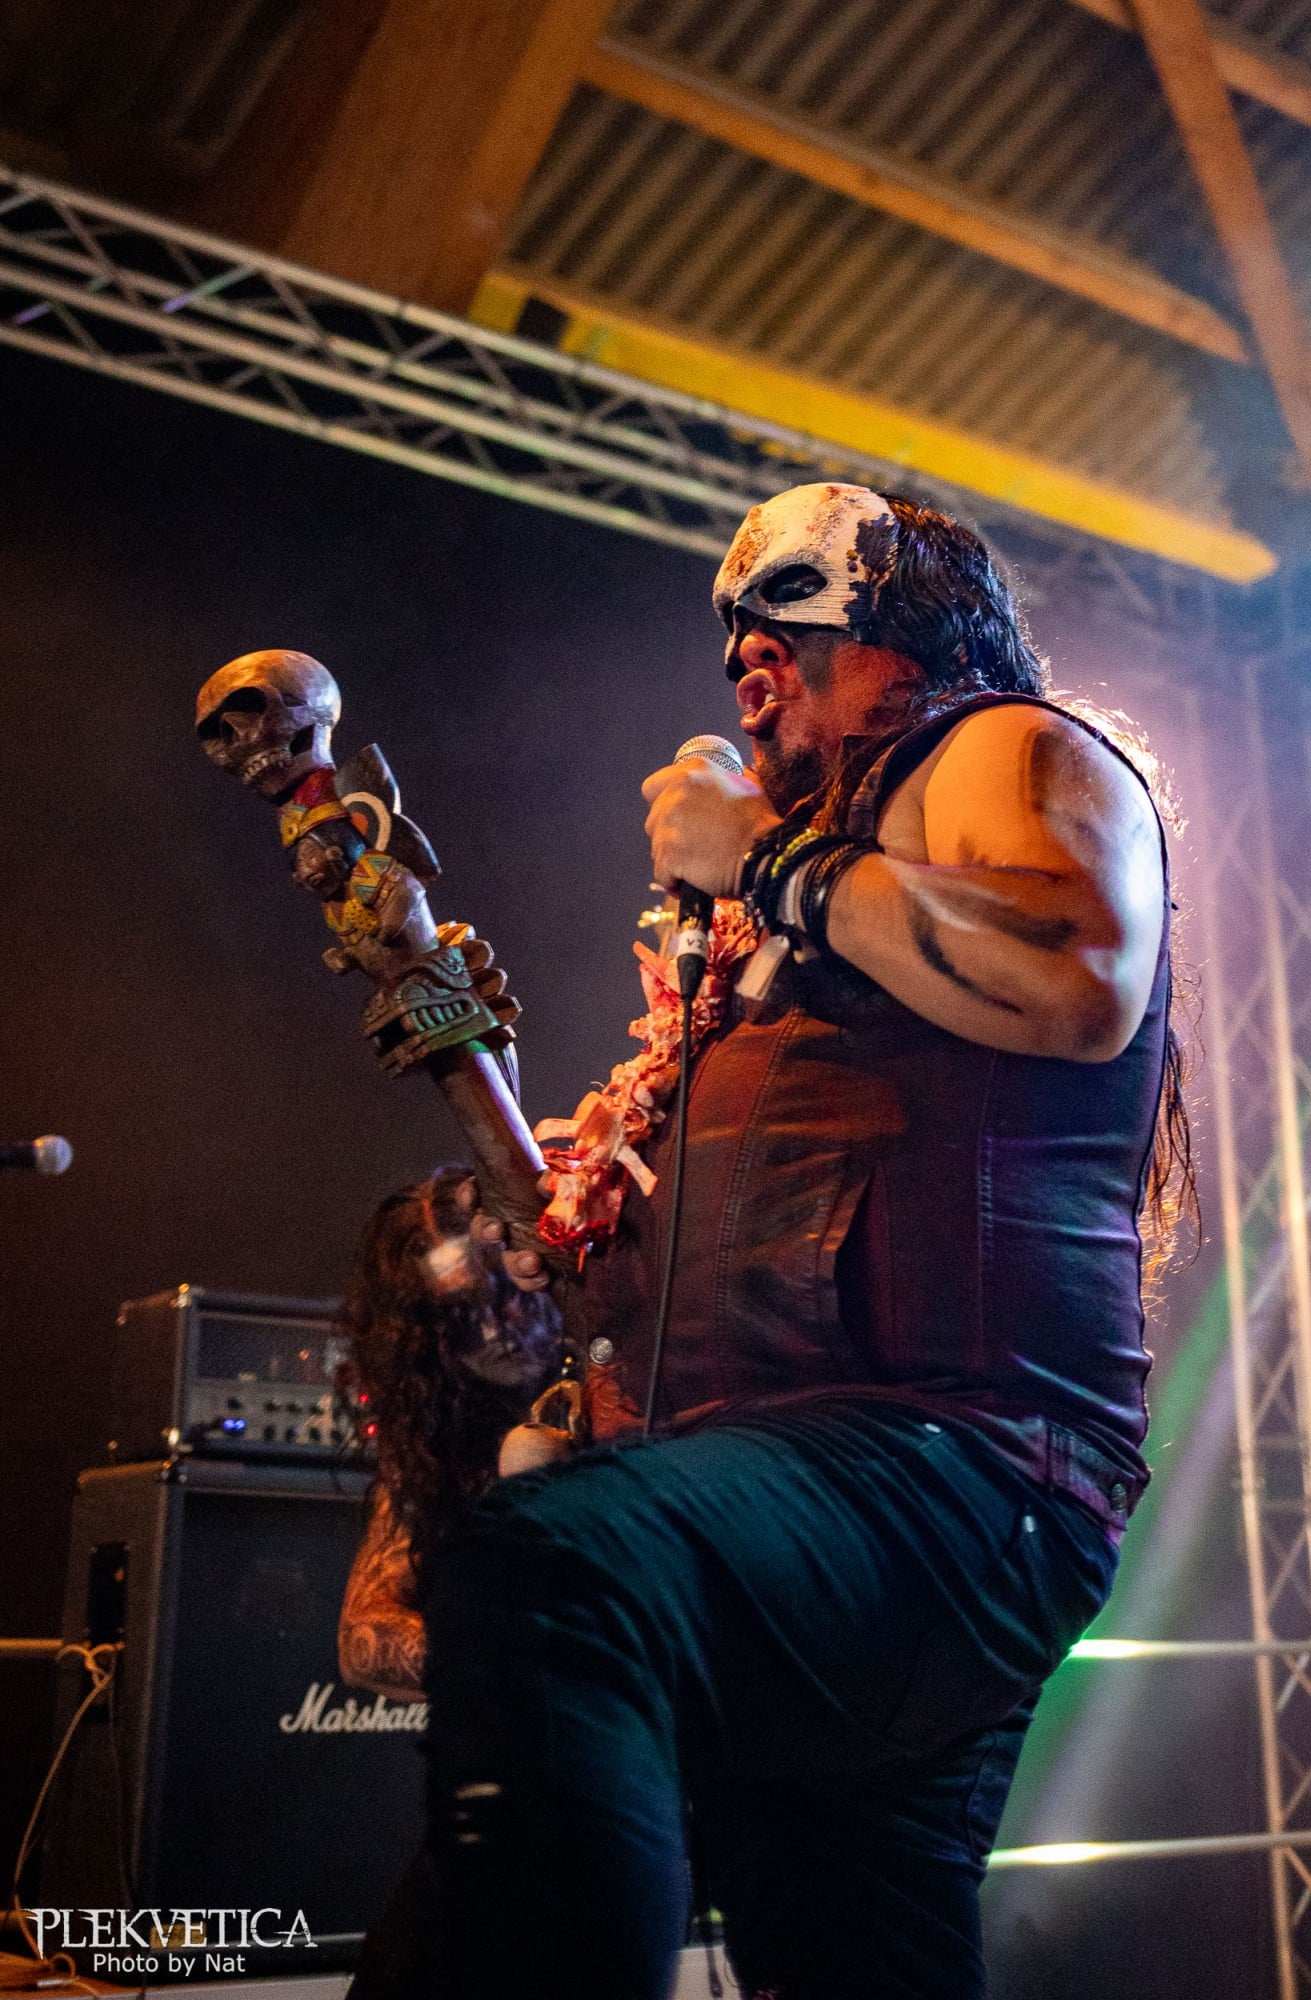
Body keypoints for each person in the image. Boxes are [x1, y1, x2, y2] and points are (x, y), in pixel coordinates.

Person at [358, 484, 1192, 2000]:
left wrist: (764, 857)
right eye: (734, 631)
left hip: (946, 1461)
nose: (747, 646)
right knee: (850, 1951)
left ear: (912, 628)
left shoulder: (998, 745)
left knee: (553, 1562)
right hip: (817, 1496)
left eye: (789, 615)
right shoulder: (793, 913)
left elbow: (1079, 974)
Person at [336, 1167, 563, 1700]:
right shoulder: (451, 1443)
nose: (492, 1328)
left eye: (500, 1291)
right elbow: (363, 1637)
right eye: (460, 1314)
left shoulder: (627, 1368)